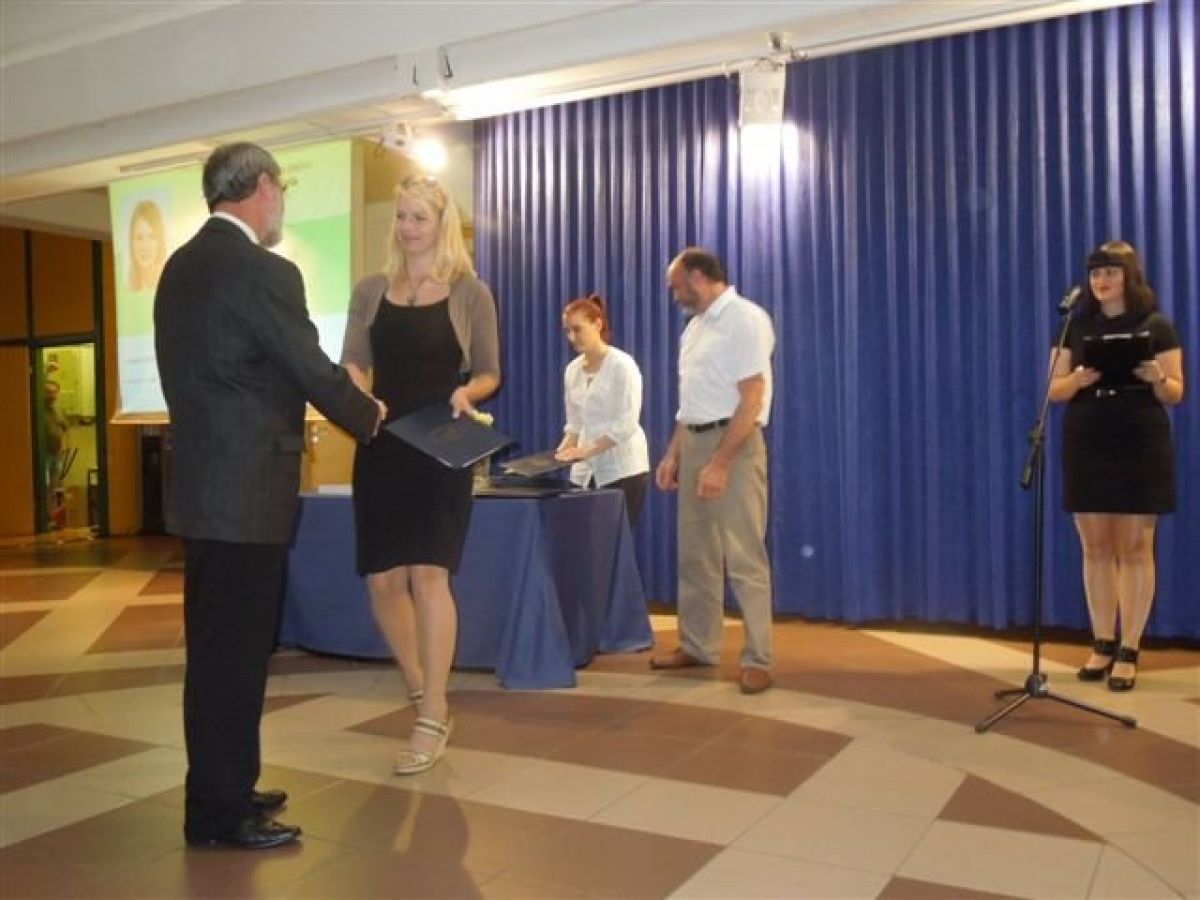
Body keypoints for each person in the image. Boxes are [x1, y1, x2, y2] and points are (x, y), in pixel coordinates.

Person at [155, 142, 384, 850]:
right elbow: (307, 366)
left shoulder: (178, 268)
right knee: (237, 655)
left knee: (216, 652)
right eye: (280, 187)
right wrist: (369, 415)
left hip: (204, 493)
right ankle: (219, 812)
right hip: (247, 495)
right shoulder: (263, 271)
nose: (281, 200)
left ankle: (223, 786)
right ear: (260, 187)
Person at [341, 173, 500, 775]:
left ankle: (432, 713)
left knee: (430, 574)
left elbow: (489, 372)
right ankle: (419, 688)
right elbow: (353, 360)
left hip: (440, 442)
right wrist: (361, 395)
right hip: (381, 442)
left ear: (441, 225)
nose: (407, 228)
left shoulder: (469, 291)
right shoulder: (370, 289)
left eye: (419, 218)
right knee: (383, 581)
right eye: (401, 216)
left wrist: (468, 393)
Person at [1049, 240, 1184, 692]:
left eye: (1110, 272)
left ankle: (1129, 648)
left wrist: (1157, 378)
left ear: (1129, 276)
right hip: (1088, 438)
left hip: (1139, 438)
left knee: (1135, 547)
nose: (1101, 281)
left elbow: (1176, 392)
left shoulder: (1156, 324)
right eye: (1095, 273)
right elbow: (1053, 390)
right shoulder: (1075, 324)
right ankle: (1102, 642)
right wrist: (1078, 379)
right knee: (1095, 547)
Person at [651, 247, 776, 694]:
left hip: (735, 445)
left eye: (676, 286)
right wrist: (673, 455)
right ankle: (698, 645)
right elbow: (691, 403)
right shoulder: (695, 328)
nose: (674, 295)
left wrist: (720, 462)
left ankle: (759, 658)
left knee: (744, 556)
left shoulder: (745, 319)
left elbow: (753, 398)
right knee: (696, 554)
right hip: (695, 441)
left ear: (699, 277)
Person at [554, 293, 650, 526]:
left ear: (597, 324)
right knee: (582, 538)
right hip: (585, 471)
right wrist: (556, 455)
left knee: (613, 540)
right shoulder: (572, 370)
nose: (572, 337)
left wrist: (586, 451)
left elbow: (626, 424)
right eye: (568, 331)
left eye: (577, 329)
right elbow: (575, 425)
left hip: (622, 469)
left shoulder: (623, 365)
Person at [127, 199, 168, 291]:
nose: (145, 246)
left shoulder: (170, 282)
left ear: (160, 242)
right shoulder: (126, 286)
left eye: (152, 237)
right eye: (139, 237)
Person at [42, 379, 70, 491]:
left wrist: (65, 445)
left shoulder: (60, 410)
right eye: (48, 392)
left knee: (57, 479)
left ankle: (54, 499)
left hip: (58, 452)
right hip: (43, 454)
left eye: (54, 392)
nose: (51, 395)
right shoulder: (37, 410)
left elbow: (66, 429)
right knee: (44, 483)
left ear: (58, 393)